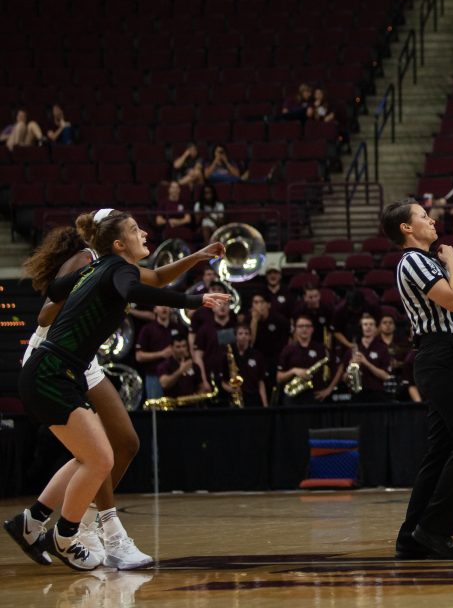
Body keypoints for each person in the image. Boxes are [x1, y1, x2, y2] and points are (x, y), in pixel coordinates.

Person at [8, 211, 227, 570]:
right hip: (52, 361)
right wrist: (193, 301)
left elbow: (152, 278)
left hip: (72, 365)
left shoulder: (106, 267)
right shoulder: (97, 263)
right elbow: (51, 309)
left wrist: (198, 256)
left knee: (111, 448)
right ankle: (78, 533)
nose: (143, 232)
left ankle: (33, 522)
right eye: (133, 228)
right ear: (114, 239)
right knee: (99, 456)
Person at [382, 201, 453, 560]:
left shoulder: (425, 261)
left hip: (445, 351)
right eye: (422, 216)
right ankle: (434, 529)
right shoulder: (414, 260)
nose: (431, 220)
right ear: (406, 228)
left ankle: (412, 536)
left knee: (441, 449)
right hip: (439, 357)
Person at [275, 316, 339, 404]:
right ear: (295, 329)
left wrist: (329, 389)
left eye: (307, 326)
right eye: (300, 326)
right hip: (294, 398)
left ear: (312, 329)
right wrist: (294, 371)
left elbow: (339, 368)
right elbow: (279, 377)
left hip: (316, 397)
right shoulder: (288, 350)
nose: (304, 329)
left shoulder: (321, 348)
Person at [347, 313, 393, 403]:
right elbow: (344, 378)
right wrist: (350, 366)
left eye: (371, 324)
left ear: (376, 328)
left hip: (378, 395)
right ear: (361, 327)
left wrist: (366, 362)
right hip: (357, 394)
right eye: (365, 324)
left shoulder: (382, 348)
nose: (368, 327)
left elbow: (386, 376)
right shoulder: (354, 348)